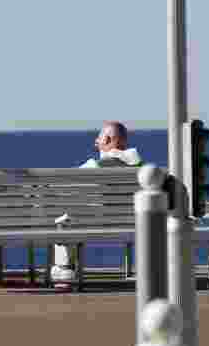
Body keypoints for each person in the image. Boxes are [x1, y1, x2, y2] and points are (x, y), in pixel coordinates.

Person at [51, 121, 142, 285]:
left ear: (107, 140)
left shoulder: (94, 166)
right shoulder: (140, 168)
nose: (95, 141)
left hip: (93, 223)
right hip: (134, 223)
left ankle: (65, 269)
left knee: (64, 218)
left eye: (99, 137)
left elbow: (60, 191)